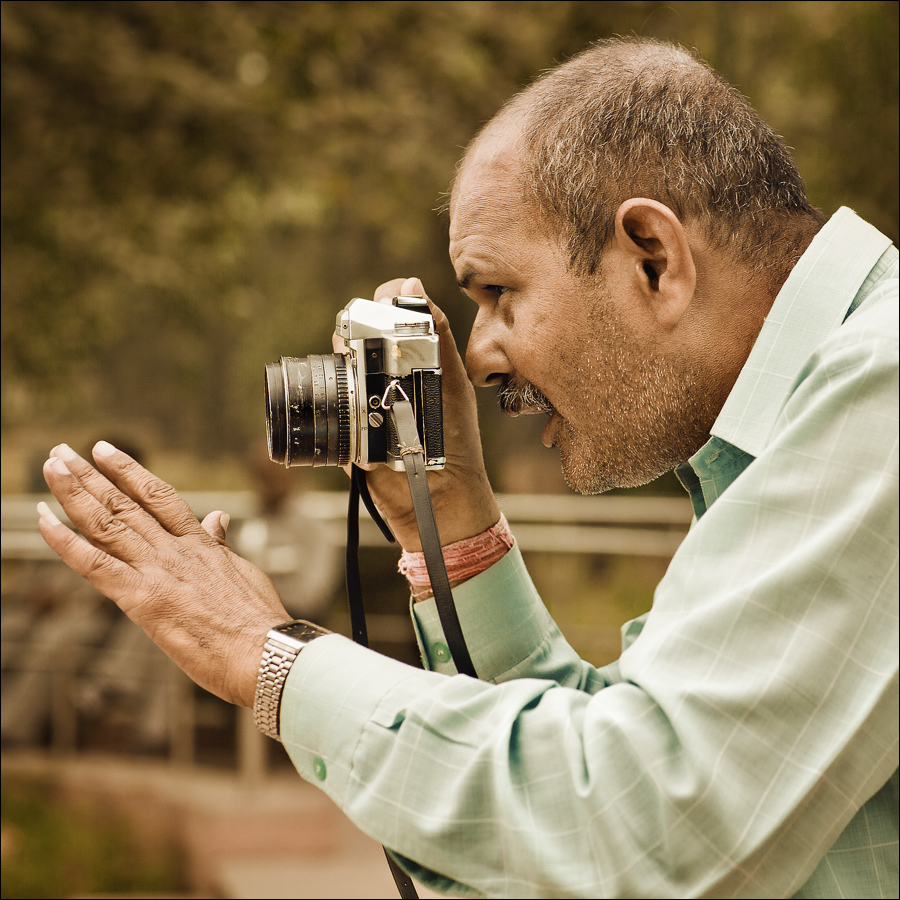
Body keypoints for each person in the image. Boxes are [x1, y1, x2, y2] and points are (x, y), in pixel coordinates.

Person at [37, 37, 897, 898]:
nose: (479, 355)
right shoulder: (799, 429)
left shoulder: (881, 388)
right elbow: (595, 795)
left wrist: (265, 657)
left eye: (497, 293)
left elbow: (642, 832)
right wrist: (447, 522)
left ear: (652, 257)